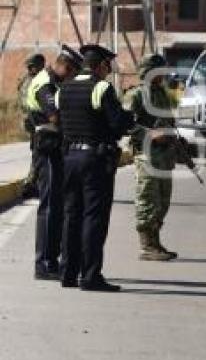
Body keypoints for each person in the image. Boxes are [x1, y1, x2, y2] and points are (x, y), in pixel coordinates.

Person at [58, 44, 134, 292]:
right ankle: (90, 276)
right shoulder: (101, 87)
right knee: (94, 217)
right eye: (107, 65)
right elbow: (117, 124)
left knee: (72, 215)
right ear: (99, 65)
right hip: (94, 160)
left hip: (69, 158)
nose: (108, 70)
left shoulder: (64, 88)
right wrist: (128, 118)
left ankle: (68, 273)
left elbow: (61, 122)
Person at [27, 46, 82, 280]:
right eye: (72, 73)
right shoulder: (45, 84)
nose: (71, 78)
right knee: (49, 207)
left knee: (57, 207)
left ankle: (53, 259)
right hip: (46, 150)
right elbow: (55, 116)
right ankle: (44, 264)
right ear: (65, 67)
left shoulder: (54, 81)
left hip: (55, 148)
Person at [125, 54, 179, 262]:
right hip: (147, 155)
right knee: (148, 198)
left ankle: (155, 242)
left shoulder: (162, 94)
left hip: (165, 156)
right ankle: (146, 245)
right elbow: (128, 125)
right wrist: (151, 134)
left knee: (163, 200)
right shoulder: (136, 95)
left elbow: (169, 121)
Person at [18, 53, 45, 198]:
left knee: (37, 153)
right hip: (34, 122)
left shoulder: (27, 80)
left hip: (33, 122)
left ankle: (32, 183)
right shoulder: (31, 81)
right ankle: (30, 185)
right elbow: (28, 105)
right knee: (38, 154)